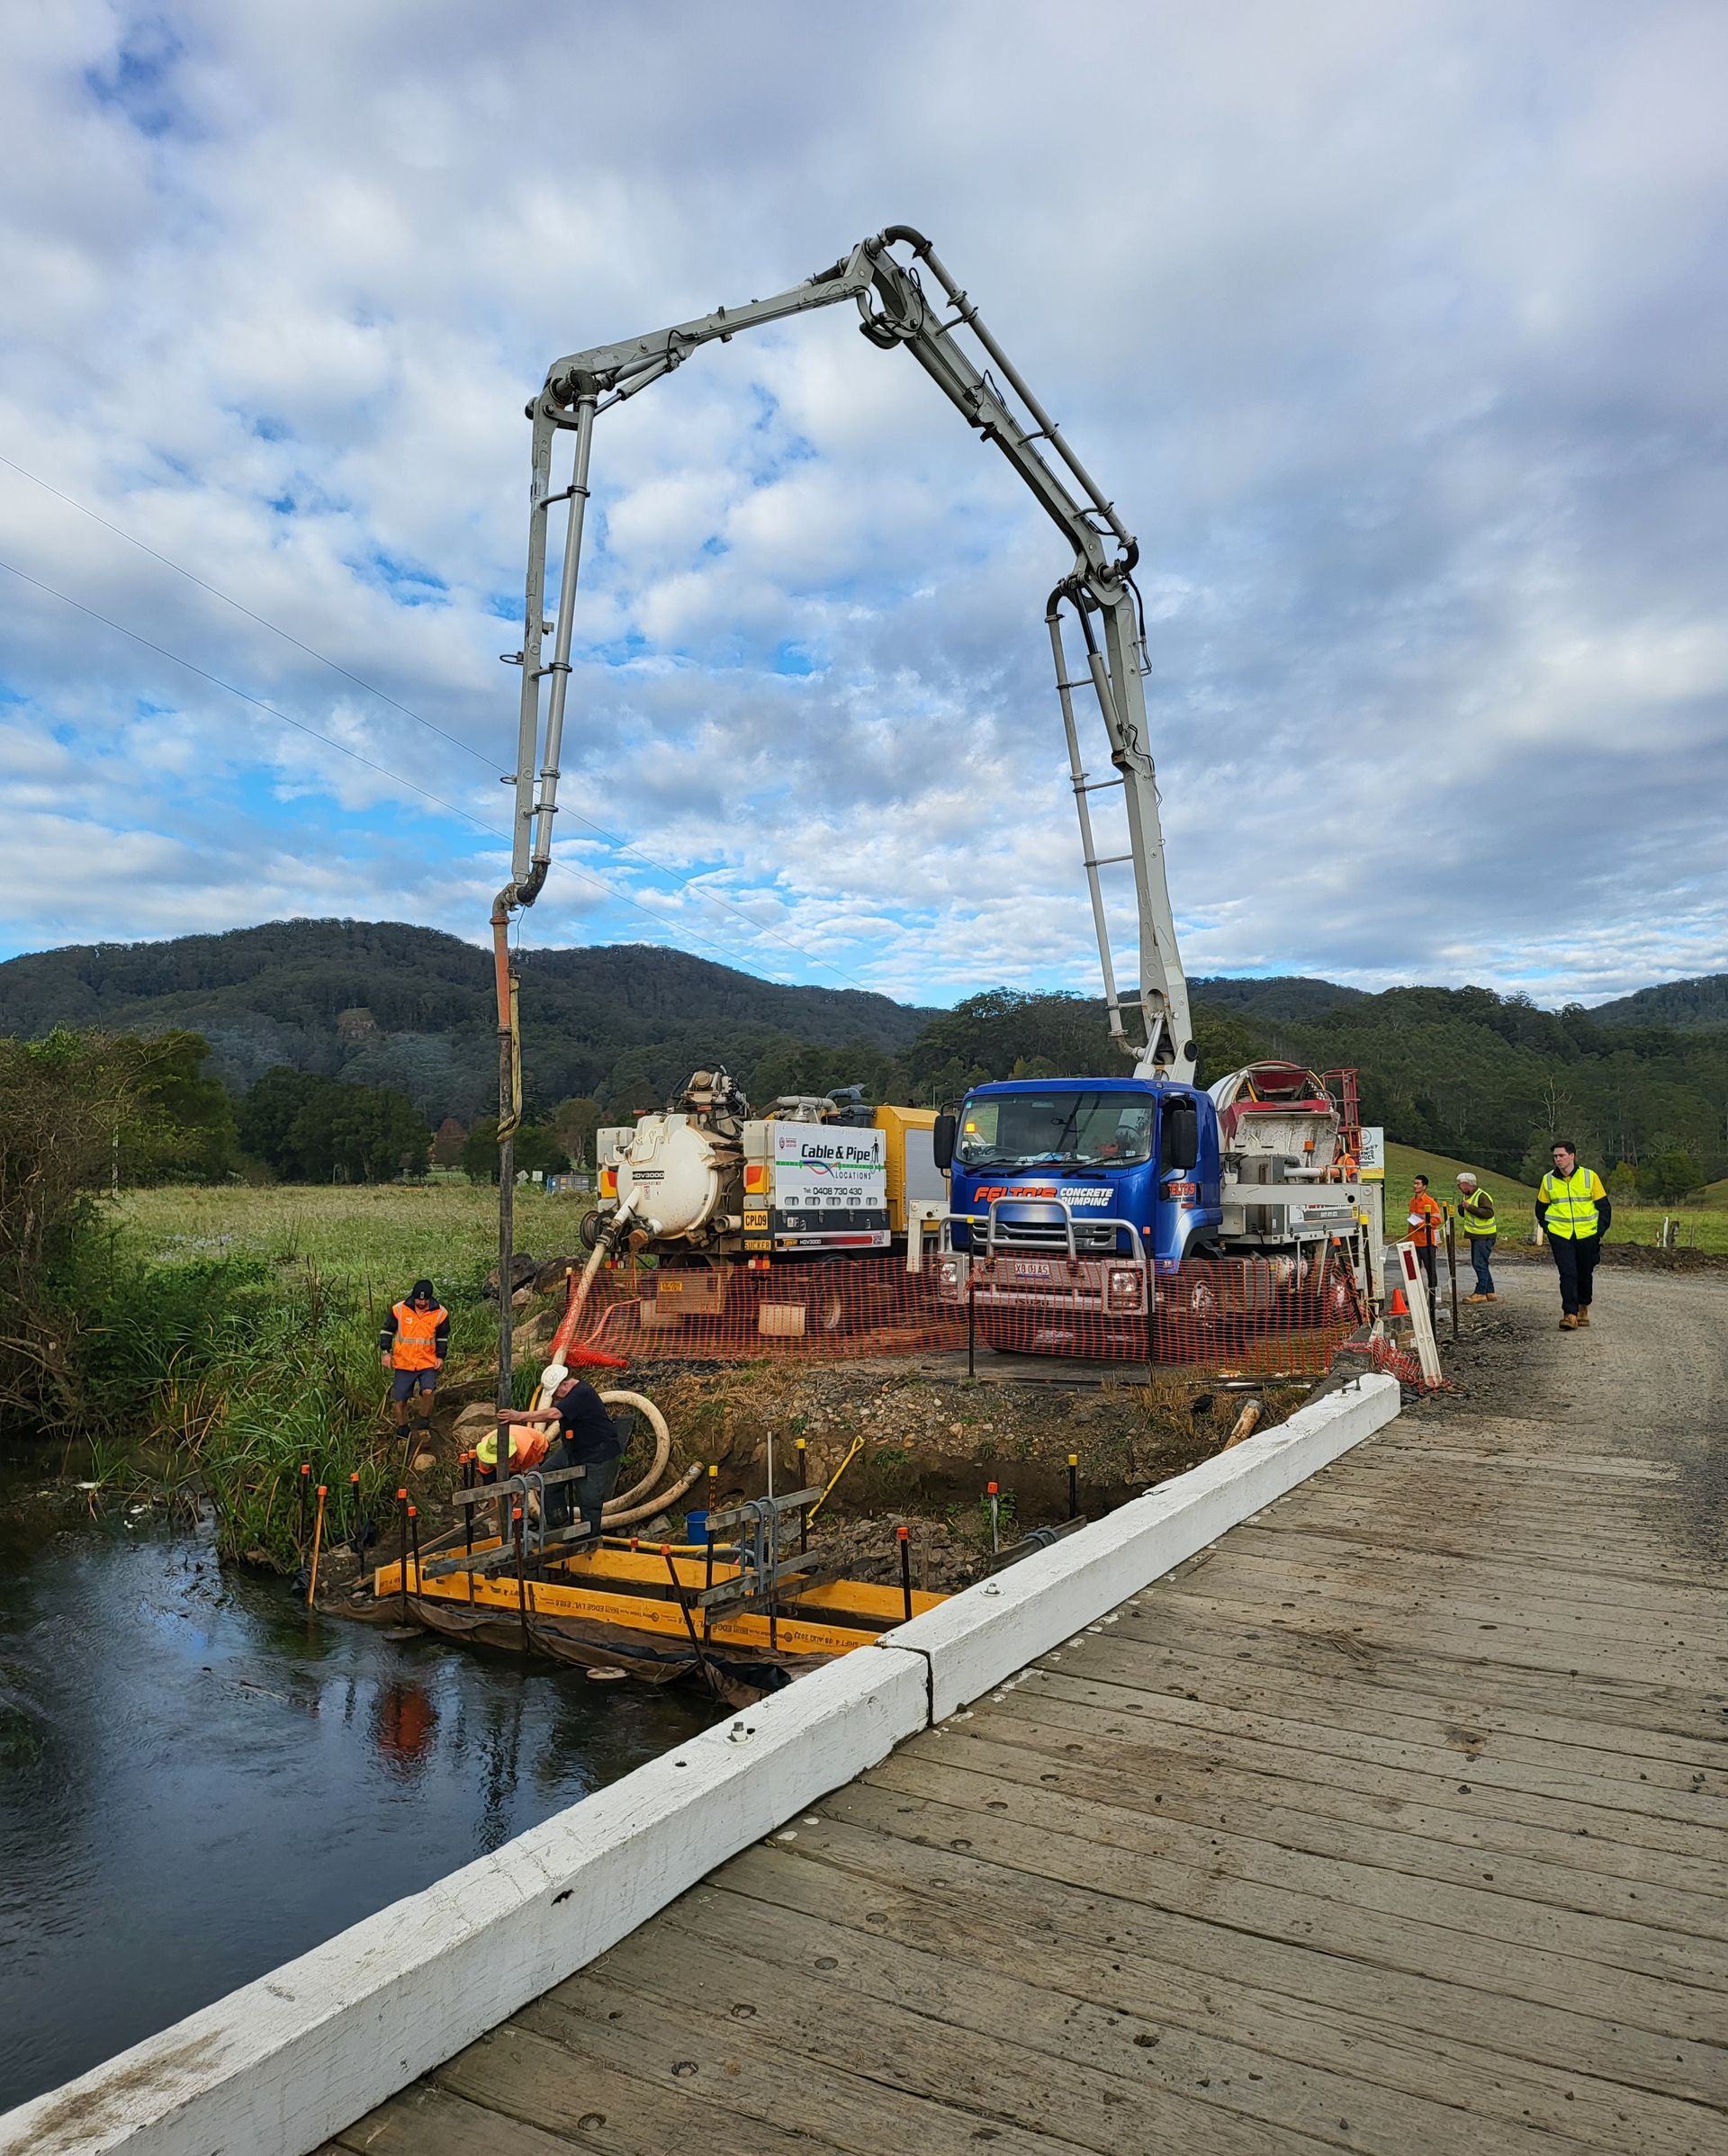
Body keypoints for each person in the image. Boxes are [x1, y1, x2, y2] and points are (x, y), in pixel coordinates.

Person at [494, 1372, 626, 1545]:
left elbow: (554, 1414)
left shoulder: (581, 1393)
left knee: (589, 1500)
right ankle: (559, 1523)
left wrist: (519, 1416)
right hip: (573, 1451)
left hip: (597, 1453)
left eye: (556, 1394)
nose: (555, 1398)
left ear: (564, 1385)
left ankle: (590, 1541)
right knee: (546, 1477)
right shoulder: (570, 1395)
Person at [1535, 1140, 1610, 1331]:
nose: (1558, 1159)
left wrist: (1598, 1232)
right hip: (1561, 1236)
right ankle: (1569, 1313)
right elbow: (1541, 1209)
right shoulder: (1548, 1180)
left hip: (1587, 1235)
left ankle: (1583, 1306)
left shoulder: (1589, 1177)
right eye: (1555, 1156)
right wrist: (1550, 1230)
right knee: (1567, 1273)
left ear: (1572, 1156)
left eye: (1561, 1155)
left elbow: (1604, 1207)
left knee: (1584, 1273)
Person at [379, 1280, 448, 1457]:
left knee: (428, 1392)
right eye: (418, 1300)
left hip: (427, 1362)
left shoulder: (440, 1313)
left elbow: (442, 1337)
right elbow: (387, 1330)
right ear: (413, 1297)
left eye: (425, 1300)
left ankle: (423, 1423)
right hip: (403, 1363)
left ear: (430, 1298)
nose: (422, 1303)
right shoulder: (399, 1310)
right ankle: (403, 1431)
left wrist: (440, 1356)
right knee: (400, 1400)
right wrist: (386, 1352)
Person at [1455, 1172, 1498, 1301]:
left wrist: (1470, 1207)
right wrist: (1462, 1208)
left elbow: (1489, 1213)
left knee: (1479, 1263)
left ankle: (1480, 1293)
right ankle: (1490, 1291)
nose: (1459, 1187)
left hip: (1484, 1236)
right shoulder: (1468, 1196)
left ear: (1467, 1184)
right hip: (1477, 1235)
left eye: (1460, 1184)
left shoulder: (1481, 1196)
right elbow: (1465, 1214)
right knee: (1481, 1263)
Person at [1406, 1173, 1444, 1316]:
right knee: (1413, 1270)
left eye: (1418, 1184)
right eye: (1414, 1183)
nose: (1415, 1186)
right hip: (1413, 1240)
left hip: (1427, 1241)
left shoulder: (1430, 1202)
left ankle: (1432, 1296)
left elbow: (1437, 1220)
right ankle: (1415, 1297)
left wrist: (1421, 1224)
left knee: (1430, 1270)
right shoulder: (1412, 1201)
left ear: (1424, 1186)